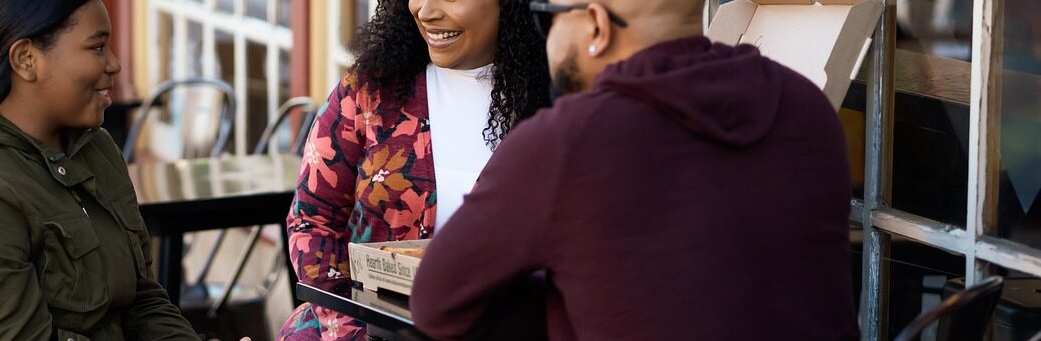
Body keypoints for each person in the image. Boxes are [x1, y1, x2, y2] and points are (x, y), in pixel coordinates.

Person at [410, 0, 859, 339]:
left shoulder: (569, 140)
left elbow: (436, 304)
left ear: (597, 27)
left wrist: (570, 296)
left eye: (547, 18)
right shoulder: (807, 110)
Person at [0, 0, 200, 339]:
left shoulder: (95, 148)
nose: (114, 64)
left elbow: (141, 301)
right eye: (96, 47)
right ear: (26, 59)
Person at [278, 0, 553, 339]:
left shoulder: (557, 110)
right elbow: (313, 217)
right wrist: (349, 328)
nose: (426, 10)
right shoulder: (370, 91)